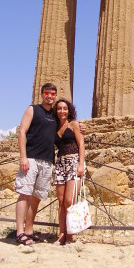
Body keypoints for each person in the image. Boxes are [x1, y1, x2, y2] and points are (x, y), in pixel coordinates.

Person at [14, 82, 58, 246]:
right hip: (31, 158)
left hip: (47, 161)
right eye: (47, 93)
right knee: (24, 193)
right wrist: (23, 157)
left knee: (37, 197)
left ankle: (29, 231)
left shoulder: (54, 115)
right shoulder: (33, 109)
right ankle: (19, 232)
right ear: (42, 94)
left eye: (53, 94)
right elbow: (22, 132)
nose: (50, 96)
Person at [53, 98, 85, 246]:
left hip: (73, 163)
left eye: (65, 108)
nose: (62, 111)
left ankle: (70, 235)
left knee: (69, 201)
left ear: (69, 110)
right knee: (60, 202)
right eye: (59, 108)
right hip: (60, 164)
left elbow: (81, 143)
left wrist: (80, 165)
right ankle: (62, 234)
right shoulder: (54, 127)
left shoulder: (74, 124)